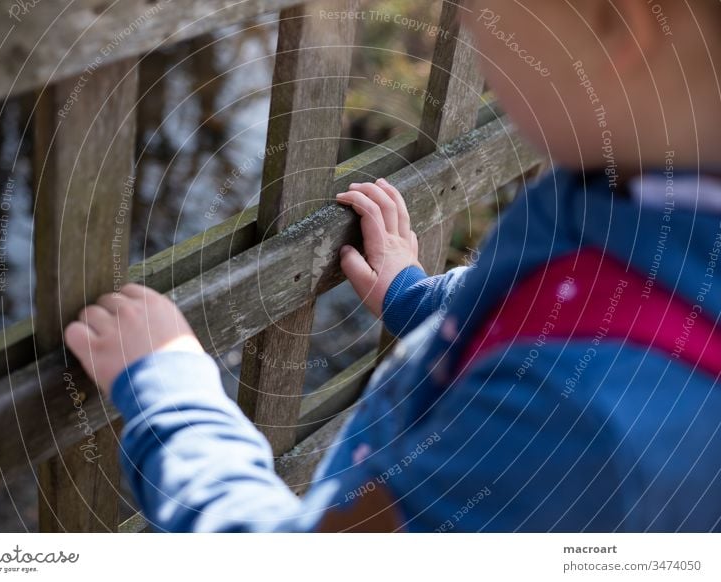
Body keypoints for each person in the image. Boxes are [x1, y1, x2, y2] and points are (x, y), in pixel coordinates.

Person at [65, 0, 721, 531]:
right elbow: (604, 310)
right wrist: (417, 298)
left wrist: (169, 392)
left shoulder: (570, 424)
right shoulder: (648, 206)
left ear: (617, 27)